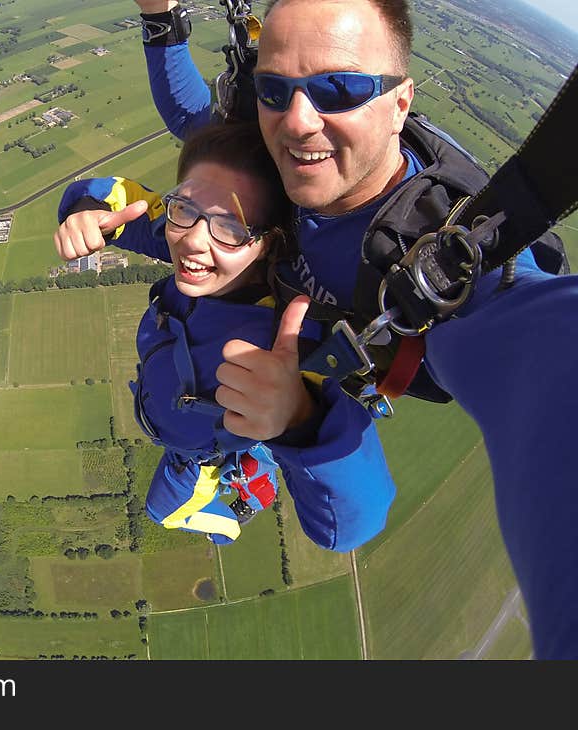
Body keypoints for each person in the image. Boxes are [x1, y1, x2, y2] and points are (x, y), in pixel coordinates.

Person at [129, 0, 578, 659]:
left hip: (301, 406)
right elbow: (194, 122)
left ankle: (239, 465)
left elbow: (550, 364)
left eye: (340, 89)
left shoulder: (450, 269)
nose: (299, 119)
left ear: (400, 103)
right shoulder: (284, 158)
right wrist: (160, 21)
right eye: (273, 89)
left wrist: (302, 420)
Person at [55, 121, 396, 548]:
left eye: (231, 228)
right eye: (183, 209)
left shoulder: (287, 344)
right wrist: (84, 209)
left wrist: (300, 419)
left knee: (164, 512)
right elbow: (121, 200)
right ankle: (256, 457)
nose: (194, 241)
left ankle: (235, 513)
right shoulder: (195, 245)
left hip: (198, 456)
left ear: (266, 243)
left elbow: (350, 526)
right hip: (181, 420)